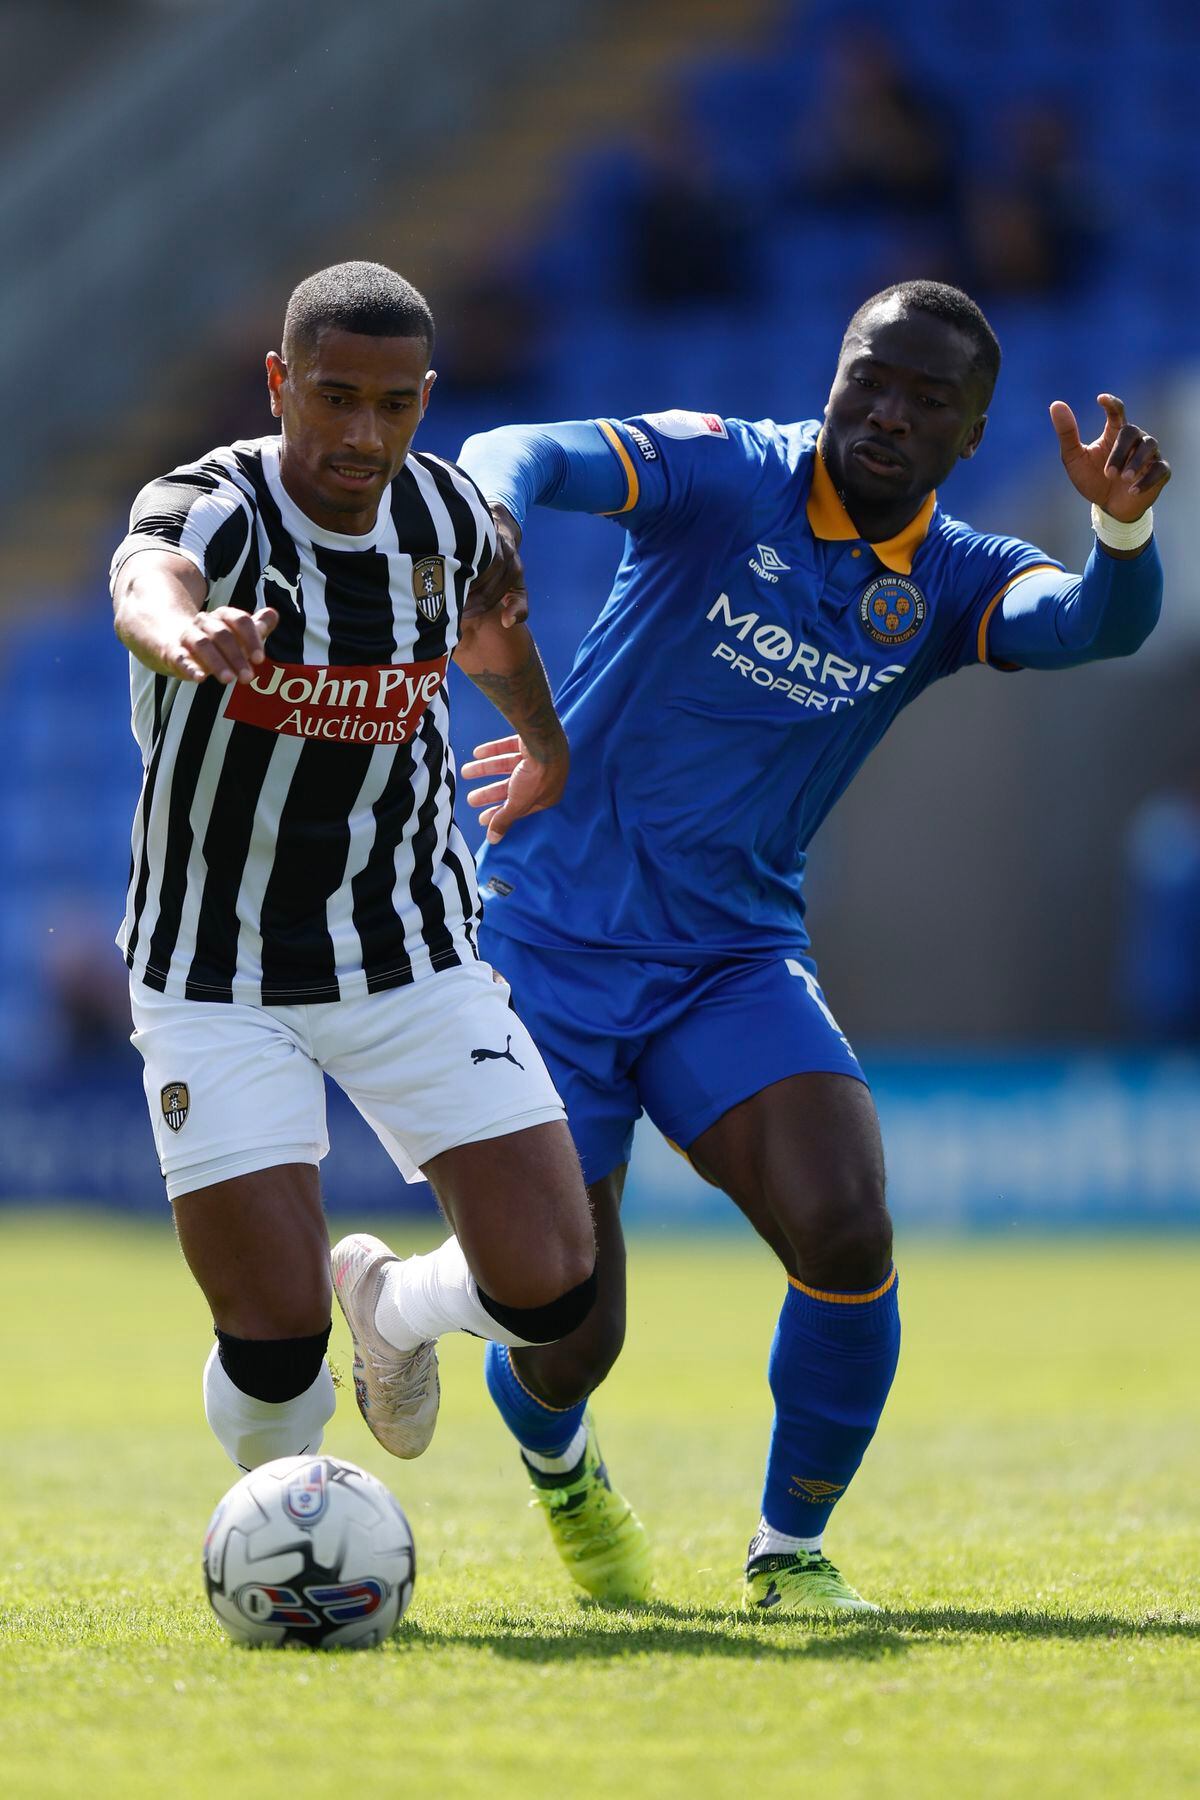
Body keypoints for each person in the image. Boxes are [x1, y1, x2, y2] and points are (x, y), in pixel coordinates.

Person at [456, 280, 1169, 1613]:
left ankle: (790, 1552)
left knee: (844, 1223)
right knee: (573, 1333)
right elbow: (528, 449)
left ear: (971, 439)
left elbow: (1091, 625)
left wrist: (1120, 527)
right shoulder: (730, 474)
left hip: (732, 957)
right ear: (834, 377)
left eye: (927, 399)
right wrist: (492, 511)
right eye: (870, 379)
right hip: (551, 945)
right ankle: (559, 1461)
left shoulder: (956, 578)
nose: (888, 413)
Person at [111, 260, 596, 1477]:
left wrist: (541, 737)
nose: (361, 434)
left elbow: (490, 621)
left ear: (426, 399)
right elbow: (143, 578)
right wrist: (186, 634)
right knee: (273, 1340)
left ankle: (391, 1313)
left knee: (551, 1286)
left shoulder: (446, 518)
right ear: (280, 385)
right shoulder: (215, 508)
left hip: (408, 949)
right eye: (333, 397)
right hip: (213, 968)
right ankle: (296, 1557)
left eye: (393, 404)